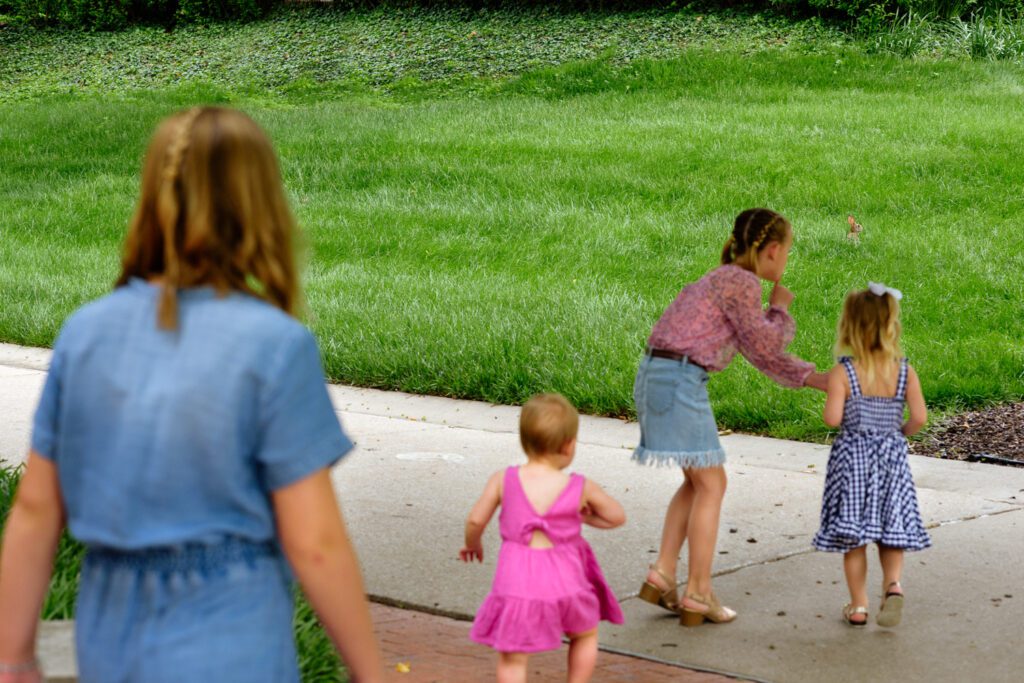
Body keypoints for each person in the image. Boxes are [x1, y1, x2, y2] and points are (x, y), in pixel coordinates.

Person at [0, 107, 383, 683]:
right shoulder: (275, 346)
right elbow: (316, 542)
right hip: (232, 638)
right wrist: (371, 672)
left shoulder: (86, 332)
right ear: (262, 204)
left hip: (110, 636)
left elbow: (35, 510)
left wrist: (14, 657)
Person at [634, 207, 828, 626]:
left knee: (696, 481)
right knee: (713, 482)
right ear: (773, 251)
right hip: (681, 379)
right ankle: (699, 592)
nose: (786, 261)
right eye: (787, 252)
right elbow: (763, 345)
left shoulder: (720, 278)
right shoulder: (741, 282)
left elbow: (754, 350)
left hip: (656, 374)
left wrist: (814, 379)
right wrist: (778, 310)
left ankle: (663, 573)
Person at [460, 394, 625, 683]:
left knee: (513, 655)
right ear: (568, 445)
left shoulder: (504, 479)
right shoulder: (579, 486)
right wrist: (583, 517)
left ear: (525, 441)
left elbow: (476, 519)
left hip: (518, 579)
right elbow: (615, 516)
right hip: (566, 577)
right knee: (584, 633)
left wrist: (472, 543)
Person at [812, 283, 931, 627]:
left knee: (855, 537)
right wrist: (898, 434)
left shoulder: (843, 373)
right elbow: (919, 417)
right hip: (891, 460)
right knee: (891, 529)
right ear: (891, 326)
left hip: (853, 464)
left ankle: (859, 605)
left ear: (849, 327)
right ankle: (893, 585)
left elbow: (832, 418)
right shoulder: (905, 372)